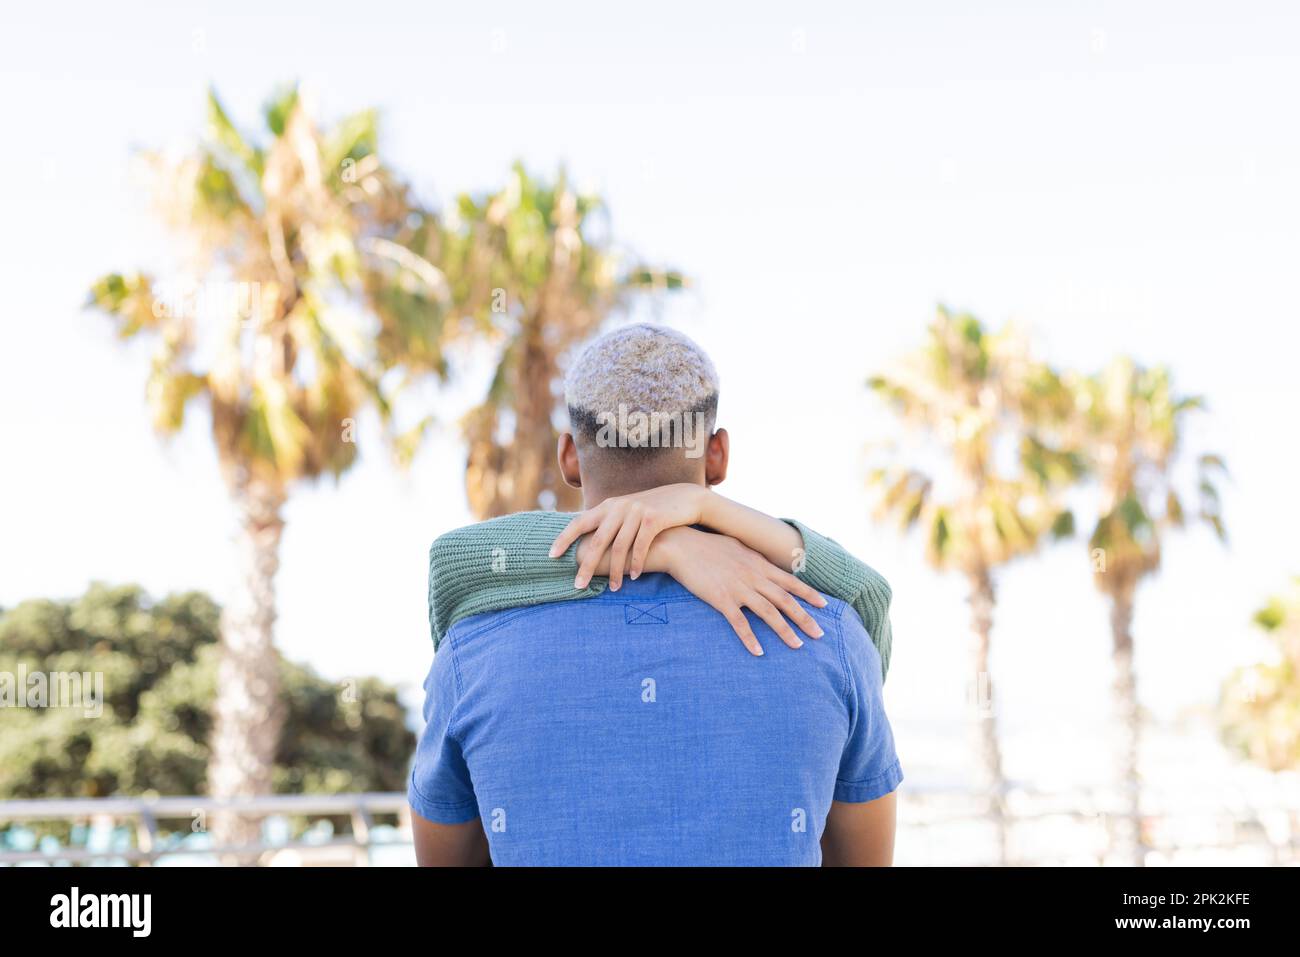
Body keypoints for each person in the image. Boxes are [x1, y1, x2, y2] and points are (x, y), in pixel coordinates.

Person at [409, 323, 901, 865]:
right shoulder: (827, 632)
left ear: (569, 456)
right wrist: (686, 529)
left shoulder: (471, 650)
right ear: (717, 455)